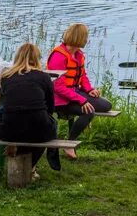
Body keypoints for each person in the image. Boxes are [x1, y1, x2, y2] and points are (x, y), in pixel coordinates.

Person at [47, 23, 112, 159]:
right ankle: (69, 144)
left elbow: (82, 76)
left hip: (74, 93)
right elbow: (58, 87)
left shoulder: (78, 54)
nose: (87, 40)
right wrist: (81, 100)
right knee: (89, 111)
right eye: (86, 36)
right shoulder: (59, 56)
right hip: (59, 98)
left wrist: (89, 90)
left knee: (106, 106)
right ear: (80, 37)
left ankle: (70, 141)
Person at [0, 42, 59, 175]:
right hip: (39, 131)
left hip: (8, 130)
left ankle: (21, 160)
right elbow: (50, 107)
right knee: (47, 124)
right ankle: (31, 165)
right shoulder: (44, 77)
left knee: (6, 114)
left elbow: (4, 104)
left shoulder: (6, 77)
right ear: (37, 58)